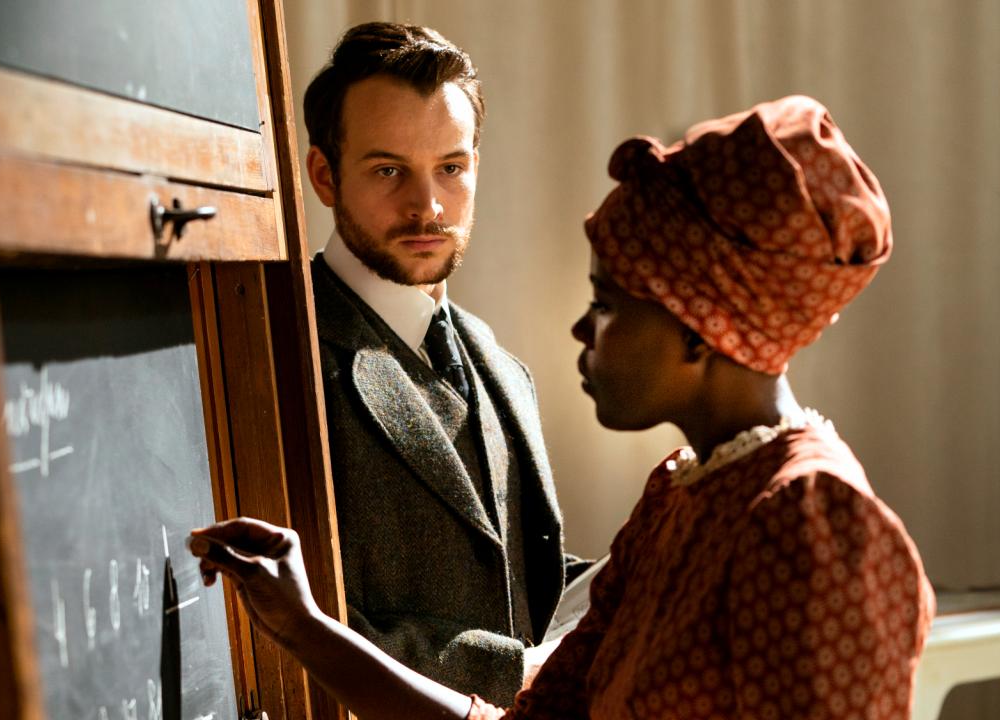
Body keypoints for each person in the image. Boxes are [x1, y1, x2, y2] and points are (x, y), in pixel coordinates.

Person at [193, 95, 935, 719]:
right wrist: (305, 628)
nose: (581, 329)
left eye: (607, 305)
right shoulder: (678, 497)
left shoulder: (810, 522)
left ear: (699, 327)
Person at [301, 21, 591, 704]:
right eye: (388, 170)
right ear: (324, 175)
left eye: (451, 169)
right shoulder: (283, 352)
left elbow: (521, 589)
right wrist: (512, 672)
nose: (427, 206)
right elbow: (287, 625)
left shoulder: (500, 365)